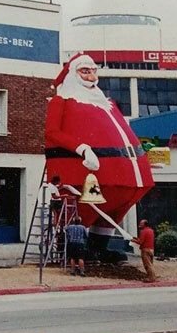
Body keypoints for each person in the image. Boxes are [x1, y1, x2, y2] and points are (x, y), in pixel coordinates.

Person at [45, 53, 154, 259]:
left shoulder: (107, 103)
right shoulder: (61, 101)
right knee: (85, 206)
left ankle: (99, 247)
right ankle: (74, 247)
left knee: (117, 205)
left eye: (94, 71)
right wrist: (82, 149)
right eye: (85, 71)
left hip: (125, 174)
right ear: (72, 75)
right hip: (82, 170)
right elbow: (52, 133)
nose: (91, 76)